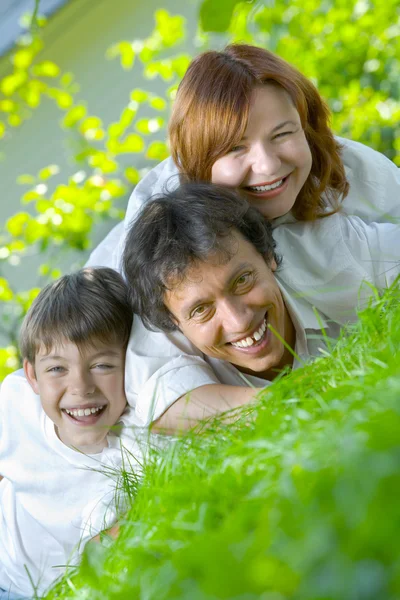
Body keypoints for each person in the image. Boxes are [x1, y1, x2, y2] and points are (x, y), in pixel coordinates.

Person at [86, 43, 400, 430]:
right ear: (197, 162)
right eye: (236, 148)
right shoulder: (159, 240)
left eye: (283, 134)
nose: (267, 165)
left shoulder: (350, 174)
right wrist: (294, 402)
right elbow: (157, 391)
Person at [121, 183, 400, 431]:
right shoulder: (163, 355)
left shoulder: (332, 252)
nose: (238, 321)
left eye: (242, 280)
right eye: (201, 310)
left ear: (268, 256)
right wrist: (291, 400)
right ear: (174, 323)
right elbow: (156, 403)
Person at [0, 268, 143, 599]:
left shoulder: (143, 441)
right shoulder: (16, 402)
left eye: (102, 365)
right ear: (32, 376)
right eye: (56, 369)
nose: (80, 388)